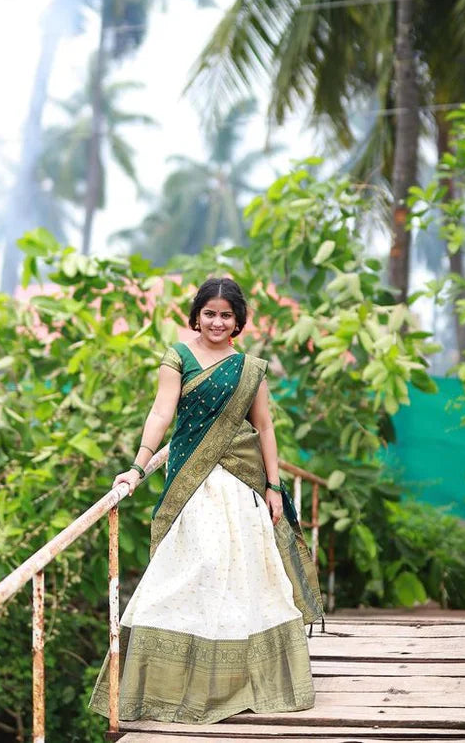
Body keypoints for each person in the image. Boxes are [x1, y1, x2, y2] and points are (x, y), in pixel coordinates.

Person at [88, 276, 323, 723]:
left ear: (238, 321)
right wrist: (137, 467)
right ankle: (176, 685)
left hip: (241, 485)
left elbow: (265, 427)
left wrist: (275, 487)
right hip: (193, 483)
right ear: (196, 316)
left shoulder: (249, 368)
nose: (217, 322)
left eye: (226, 315)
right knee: (194, 571)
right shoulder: (178, 357)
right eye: (210, 313)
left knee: (244, 578)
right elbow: (161, 412)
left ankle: (243, 683)